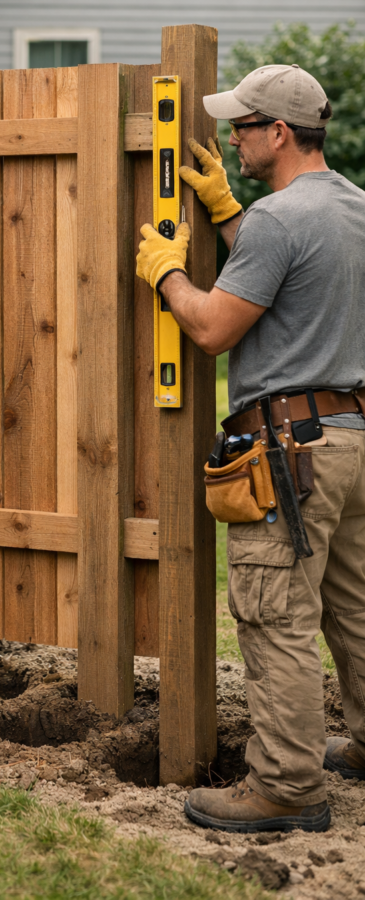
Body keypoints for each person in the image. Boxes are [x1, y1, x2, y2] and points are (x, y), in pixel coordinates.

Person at [136, 63, 365, 833]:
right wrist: (227, 213)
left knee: (277, 618)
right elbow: (294, 284)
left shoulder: (277, 219)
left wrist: (167, 274)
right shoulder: (351, 207)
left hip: (290, 454)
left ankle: (285, 788)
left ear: (278, 133)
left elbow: (211, 328)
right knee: (354, 609)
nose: (231, 139)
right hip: (351, 441)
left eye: (241, 126)